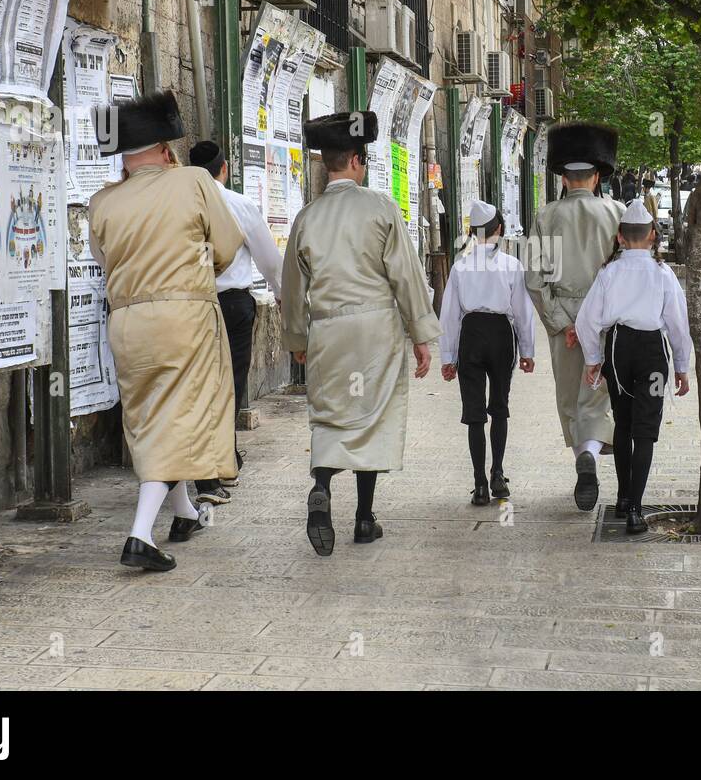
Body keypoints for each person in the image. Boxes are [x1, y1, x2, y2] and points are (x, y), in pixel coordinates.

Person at [87, 91, 245, 572]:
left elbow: (103, 262)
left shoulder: (101, 202)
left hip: (128, 319)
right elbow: (228, 245)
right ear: (162, 148)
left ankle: (185, 512)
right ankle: (139, 535)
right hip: (184, 315)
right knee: (178, 413)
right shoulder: (194, 182)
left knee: (153, 415)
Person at [281, 111, 442, 556]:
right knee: (372, 416)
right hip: (375, 329)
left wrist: (297, 339)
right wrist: (421, 334)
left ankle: (322, 487)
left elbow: (293, 288)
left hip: (328, 331)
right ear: (355, 160)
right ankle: (365, 518)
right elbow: (406, 277)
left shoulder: (306, 218)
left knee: (332, 414)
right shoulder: (381, 208)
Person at [576, 200, 691, 534]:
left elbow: (586, 322)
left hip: (618, 350)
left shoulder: (608, 272)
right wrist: (682, 366)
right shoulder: (663, 273)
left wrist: (593, 360)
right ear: (653, 235)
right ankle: (636, 510)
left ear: (620, 237)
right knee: (645, 432)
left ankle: (625, 496)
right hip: (653, 352)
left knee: (623, 423)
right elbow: (677, 325)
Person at [524, 122, 623, 511]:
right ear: (596, 177)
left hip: (562, 316)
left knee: (570, 396)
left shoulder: (546, 217)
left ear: (564, 179)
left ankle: (584, 457)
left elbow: (534, 278)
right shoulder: (616, 213)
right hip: (606, 319)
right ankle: (592, 456)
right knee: (597, 396)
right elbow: (626, 269)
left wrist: (563, 322)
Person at [187, 140, 284, 502]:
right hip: (232, 305)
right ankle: (222, 463)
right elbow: (268, 259)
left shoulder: (185, 204)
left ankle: (212, 461)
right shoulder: (240, 205)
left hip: (192, 304)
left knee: (198, 382)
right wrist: (281, 292)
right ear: (223, 168)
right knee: (231, 381)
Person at [439, 199, 536, 505]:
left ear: (471, 231)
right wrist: (527, 350)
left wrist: (448, 357)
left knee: (474, 413)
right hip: (501, 337)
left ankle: (479, 484)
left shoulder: (460, 266)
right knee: (499, 406)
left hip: (470, 336)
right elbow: (523, 312)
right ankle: (497, 473)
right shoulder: (512, 266)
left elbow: (450, 315)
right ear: (501, 230)